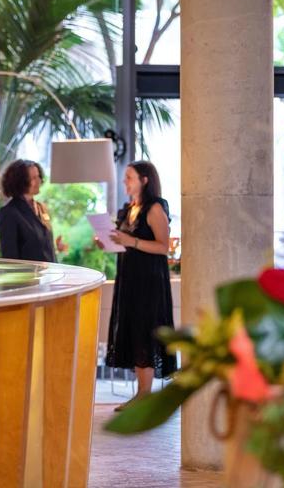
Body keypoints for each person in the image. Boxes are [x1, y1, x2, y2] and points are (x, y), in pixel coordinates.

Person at [96, 160, 176, 410]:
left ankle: (144, 394)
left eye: (129, 177)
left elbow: (163, 247)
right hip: (129, 278)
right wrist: (107, 243)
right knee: (132, 330)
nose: (124, 182)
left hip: (149, 281)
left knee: (145, 331)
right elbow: (125, 243)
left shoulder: (154, 209)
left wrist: (131, 241)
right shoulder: (127, 209)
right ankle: (141, 393)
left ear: (144, 180)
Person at [0, 159, 56, 262]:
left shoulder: (41, 208)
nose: (39, 181)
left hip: (48, 275)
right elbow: (10, 258)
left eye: (38, 176)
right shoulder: (9, 212)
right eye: (33, 178)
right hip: (27, 277)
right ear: (21, 181)